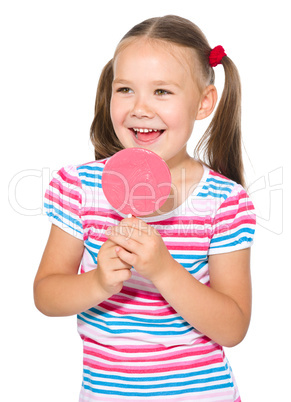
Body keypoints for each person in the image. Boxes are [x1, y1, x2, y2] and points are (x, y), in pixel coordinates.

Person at [34, 15, 256, 401]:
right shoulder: (80, 188)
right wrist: (99, 282)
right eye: (125, 89)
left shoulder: (226, 203)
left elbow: (232, 327)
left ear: (204, 103)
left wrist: (162, 268)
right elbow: (47, 295)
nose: (139, 108)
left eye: (162, 92)